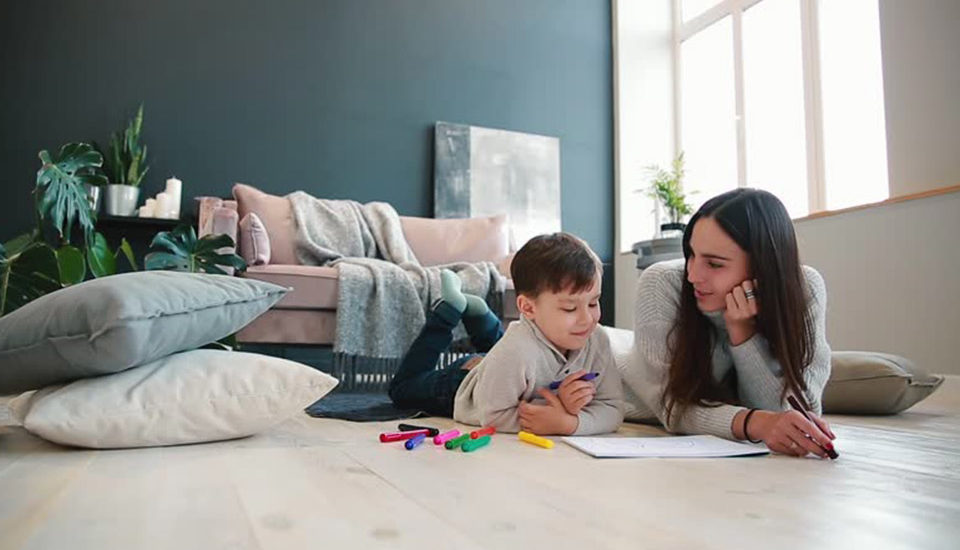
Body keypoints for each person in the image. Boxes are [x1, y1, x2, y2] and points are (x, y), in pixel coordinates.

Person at [624, 188, 836, 457]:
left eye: (714, 264)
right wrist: (756, 423)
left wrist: (743, 334)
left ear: (762, 265)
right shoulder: (661, 283)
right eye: (690, 254)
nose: (693, 275)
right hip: (625, 387)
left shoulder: (805, 287)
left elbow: (798, 412)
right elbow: (673, 409)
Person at [388, 232, 623, 435]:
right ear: (528, 308)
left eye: (593, 303)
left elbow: (613, 409)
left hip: (505, 372)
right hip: (462, 383)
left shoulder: (597, 338)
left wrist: (570, 422)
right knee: (402, 389)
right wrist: (558, 415)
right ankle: (448, 311)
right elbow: (493, 416)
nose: (588, 318)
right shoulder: (515, 352)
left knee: (506, 353)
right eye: (570, 308)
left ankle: (479, 314)